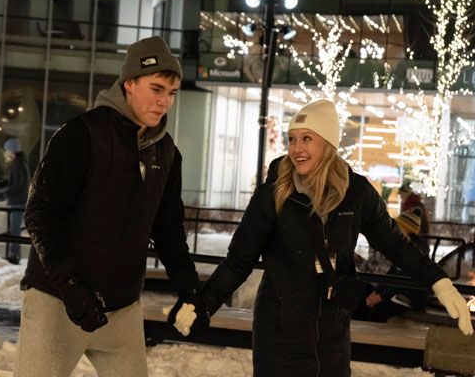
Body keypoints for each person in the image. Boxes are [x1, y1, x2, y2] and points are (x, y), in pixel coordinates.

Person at [173, 99, 473, 377]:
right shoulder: (274, 194)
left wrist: (439, 282)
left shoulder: (357, 193)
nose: (296, 149)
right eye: (292, 138)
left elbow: (394, 244)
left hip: (332, 336)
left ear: (328, 143)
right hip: (279, 336)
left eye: (307, 138)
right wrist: (204, 304)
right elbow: (239, 261)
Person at [14, 36, 206, 377]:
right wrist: (72, 288)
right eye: (157, 88)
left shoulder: (166, 152)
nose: (164, 102)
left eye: (171, 93)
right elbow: (40, 213)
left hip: (121, 306)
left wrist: (188, 285)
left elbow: (168, 227)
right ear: (129, 83)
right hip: (58, 300)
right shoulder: (82, 134)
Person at [354, 208, 431, 322]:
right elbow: (392, 273)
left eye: (398, 227)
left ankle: (369, 339)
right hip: (396, 292)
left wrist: (381, 296)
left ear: (406, 230)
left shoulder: (416, 251)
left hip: (411, 296)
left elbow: (404, 280)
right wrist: (377, 291)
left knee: (378, 311)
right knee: (362, 305)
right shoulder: (402, 246)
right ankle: (356, 338)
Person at [0, 138, 30, 265]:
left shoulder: (17, 164)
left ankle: (14, 256)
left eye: (6, 150)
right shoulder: (20, 163)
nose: (5, 152)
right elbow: (11, 182)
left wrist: (3, 194)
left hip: (18, 201)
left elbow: (17, 184)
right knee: (13, 229)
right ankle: (13, 254)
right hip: (19, 200)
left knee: (14, 230)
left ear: (12, 150)